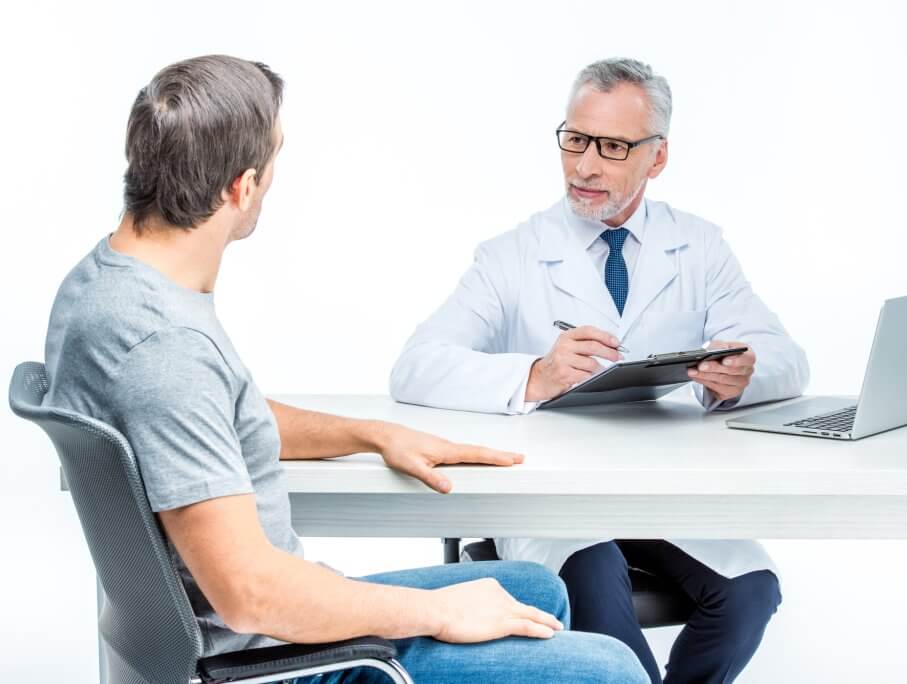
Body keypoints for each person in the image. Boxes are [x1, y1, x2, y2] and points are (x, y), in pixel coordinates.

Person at [41, 55, 648, 684]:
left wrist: (370, 433)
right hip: (266, 662)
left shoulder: (107, 284)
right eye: (275, 159)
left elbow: (203, 415)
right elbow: (250, 594)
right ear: (240, 188)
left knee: (533, 589)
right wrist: (438, 612)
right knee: (612, 670)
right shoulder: (164, 350)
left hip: (230, 632)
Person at [390, 57, 809, 684]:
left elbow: (788, 359)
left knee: (751, 589)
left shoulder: (698, 245)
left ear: (657, 157)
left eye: (612, 147)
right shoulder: (513, 256)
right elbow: (415, 368)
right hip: (555, 502)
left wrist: (745, 374)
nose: (585, 165)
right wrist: (534, 375)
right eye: (576, 139)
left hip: (661, 492)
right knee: (595, 584)